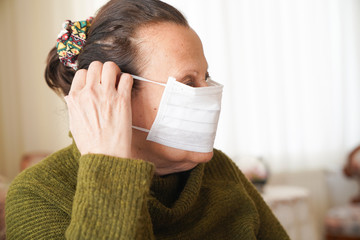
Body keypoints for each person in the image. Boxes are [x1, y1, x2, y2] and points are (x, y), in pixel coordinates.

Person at [5, 0, 290, 239]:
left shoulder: (220, 169)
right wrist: (110, 165)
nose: (211, 95)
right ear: (114, 91)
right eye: (188, 83)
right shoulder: (38, 194)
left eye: (206, 77)